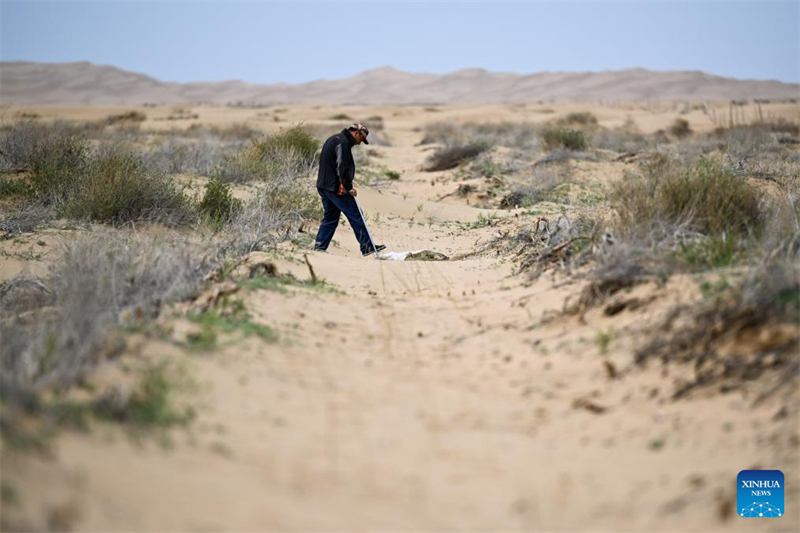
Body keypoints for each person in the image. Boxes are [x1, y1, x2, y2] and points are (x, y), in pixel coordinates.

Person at [313, 123, 386, 256]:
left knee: (330, 216)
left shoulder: (334, 138)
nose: (359, 143)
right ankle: (367, 246)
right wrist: (348, 187)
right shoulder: (343, 143)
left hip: (323, 185)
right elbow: (342, 167)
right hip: (336, 188)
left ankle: (320, 245)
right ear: (356, 133)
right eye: (361, 139)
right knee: (356, 215)